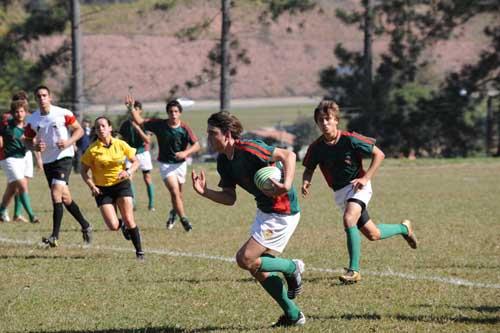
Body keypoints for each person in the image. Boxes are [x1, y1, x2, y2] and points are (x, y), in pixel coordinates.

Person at [191, 111, 306, 327]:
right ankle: (293, 315)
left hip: (283, 210)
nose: (208, 138)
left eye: (212, 133)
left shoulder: (250, 148)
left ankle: (292, 267)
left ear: (227, 133)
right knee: (256, 267)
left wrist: (287, 183)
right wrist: (204, 191)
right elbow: (229, 197)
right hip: (265, 211)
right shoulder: (223, 161)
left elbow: (288, 156)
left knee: (244, 259)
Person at [301, 100, 418, 284]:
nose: (324, 123)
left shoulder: (350, 138)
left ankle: (353, 271)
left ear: (336, 120)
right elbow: (309, 167)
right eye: (320, 120)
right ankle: (404, 228)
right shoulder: (316, 147)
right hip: (340, 193)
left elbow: (379, 154)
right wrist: (306, 181)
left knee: (349, 219)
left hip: (359, 186)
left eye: (328, 119)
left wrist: (366, 178)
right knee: (373, 234)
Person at [24, 85, 92, 247]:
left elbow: (79, 130)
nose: (42, 98)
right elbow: (26, 140)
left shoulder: (63, 113)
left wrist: (68, 142)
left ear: (50, 97)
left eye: (44, 95)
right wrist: (34, 147)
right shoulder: (33, 120)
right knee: (65, 198)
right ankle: (86, 225)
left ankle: (55, 236)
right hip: (48, 161)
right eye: (39, 96)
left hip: (64, 157)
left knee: (56, 193)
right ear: (35, 99)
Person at [126, 95, 200, 231]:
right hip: (166, 165)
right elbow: (140, 121)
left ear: (180, 113)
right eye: (171, 112)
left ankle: (173, 213)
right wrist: (131, 108)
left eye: (176, 112)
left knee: (179, 195)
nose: (173, 114)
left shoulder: (184, 128)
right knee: (174, 192)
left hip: (181, 164)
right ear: (167, 113)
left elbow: (196, 145)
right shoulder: (159, 124)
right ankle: (184, 220)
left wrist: (185, 153)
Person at [81, 117, 145, 260]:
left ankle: (139, 252)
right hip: (102, 189)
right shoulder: (92, 150)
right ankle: (121, 225)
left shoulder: (120, 144)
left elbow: (136, 161)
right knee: (112, 225)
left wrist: (128, 172)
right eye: (98, 127)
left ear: (110, 128)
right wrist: (92, 186)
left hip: (121, 185)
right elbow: (83, 171)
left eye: (103, 126)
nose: (101, 129)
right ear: (96, 131)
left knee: (129, 218)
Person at [0, 99, 39, 223]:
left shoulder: (29, 127)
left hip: (22, 158)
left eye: (22, 111)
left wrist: (37, 153)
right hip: (9, 159)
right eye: (16, 112)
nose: (19, 114)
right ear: (12, 113)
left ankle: (1, 211)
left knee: (12, 188)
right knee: (22, 184)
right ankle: (32, 215)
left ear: (26, 112)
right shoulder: (7, 125)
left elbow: (32, 142)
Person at [118, 100, 155, 211]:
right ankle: (133, 203)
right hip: (130, 154)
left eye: (136, 109)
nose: (133, 111)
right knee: (129, 178)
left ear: (140, 110)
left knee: (147, 178)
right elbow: (122, 139)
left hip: (143, 153)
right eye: (131, 109)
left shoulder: (145, 124)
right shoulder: (125, 124)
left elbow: (147, 140)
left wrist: (138, 128)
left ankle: (151, 204)